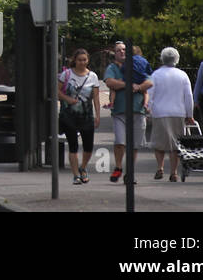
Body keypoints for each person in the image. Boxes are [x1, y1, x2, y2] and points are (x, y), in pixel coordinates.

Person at [104, 40, 152, 182]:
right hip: (120, 112)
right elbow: (109, 82)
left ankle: (129, 172)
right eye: (119, 50)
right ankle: (119, 167)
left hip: (138, 111)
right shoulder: (113, 67)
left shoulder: (138, 65)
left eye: (124, 49)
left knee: (135, 145)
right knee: (120, 141)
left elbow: (149, 82)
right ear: (115, 54)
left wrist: (138, 87)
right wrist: (128, 84)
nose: (122, 52)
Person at [149, 46, 195, 181]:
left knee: (159, 142)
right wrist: (189, 114)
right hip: (178, 112)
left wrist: (148, 110)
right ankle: (174, 172)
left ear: (162, 59)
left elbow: (150, 94)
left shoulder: (156, 75)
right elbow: (188, 96)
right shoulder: (182, 75)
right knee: (175, 144)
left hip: (160, 112)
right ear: (177, 59)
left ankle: (160, 168)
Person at [58, 48, 101, 185]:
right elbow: (56, 90)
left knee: (88, 147)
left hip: (86, 116)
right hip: (69, 115)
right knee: (73, 146)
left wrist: (97, 115)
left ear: (88, 60)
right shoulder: (67, 74)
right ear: (74, 61)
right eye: (79, 60)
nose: (82, 62)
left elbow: (96, 97)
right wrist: (67, 99)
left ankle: (83, 167)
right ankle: (76, 175)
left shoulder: (93, 76)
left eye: (85, 60)